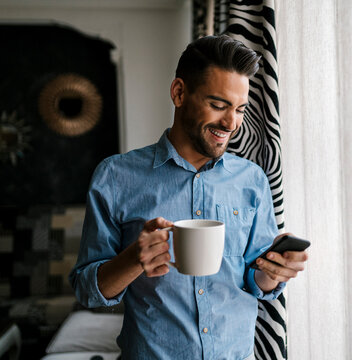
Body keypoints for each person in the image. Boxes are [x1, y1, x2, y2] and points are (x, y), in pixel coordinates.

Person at [69, 34, 309, 360]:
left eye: (240, 109)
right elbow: (88, 292)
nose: (231, 122)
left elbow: (256, 280)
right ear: (179, 93)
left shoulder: (252, 180)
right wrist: (133, 259)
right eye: (218, 105)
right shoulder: (115, 177)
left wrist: (274, 271)